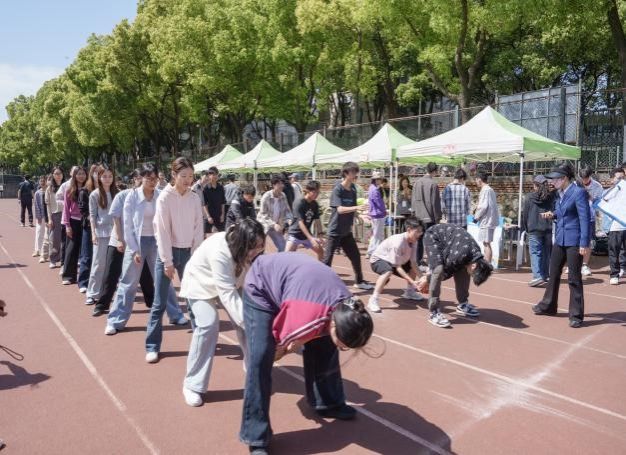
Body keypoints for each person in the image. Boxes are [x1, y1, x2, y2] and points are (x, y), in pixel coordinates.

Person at [240, 252, 374, 454]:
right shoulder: (305, 318)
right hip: (261, 285)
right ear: (334, 324)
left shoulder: (351, 308)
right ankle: (256, 437)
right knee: (261, 358)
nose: (345, 349)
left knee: (326, 345)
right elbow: (280, 350)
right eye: (345, 345)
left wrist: (321, 338)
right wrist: (287, 347)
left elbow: (326, 330)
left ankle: (328, 403)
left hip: (301, 286)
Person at [180, 218, 266, 407]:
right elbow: (227, 295)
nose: (258, 251)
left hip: (233, 282)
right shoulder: (220, 252)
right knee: (208, 325)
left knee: (249, 316)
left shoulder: (250, 249)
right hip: (200, 283)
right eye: (254, 247)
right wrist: (251, 324)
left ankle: (252, 366)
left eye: (261, 246)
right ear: (242, 243)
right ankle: (192, 384)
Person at [105, 164, 188, 329]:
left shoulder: (161, 195)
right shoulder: (132, 196)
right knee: (128, 283)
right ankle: (115, 321)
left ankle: (175, 315)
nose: (152, 182)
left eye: (155, 179)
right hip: (137, 243)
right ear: (140, 178)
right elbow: (128, 225)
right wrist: (134, 249)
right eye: (148, 178)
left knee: (164, 280)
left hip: (157, 242)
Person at [145, 157, 203, 364]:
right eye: (184, 176)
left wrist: (196, 255)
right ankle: (152, 346)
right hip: (167, 255)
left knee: (193, 299)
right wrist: (167, 261)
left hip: (188, 254)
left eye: (191, 176)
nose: (188, 180)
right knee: (159, 303)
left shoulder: (194, 198)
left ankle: (201, 341)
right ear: (174, 175)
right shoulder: (164, 198)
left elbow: (198, 227)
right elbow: (161, 231)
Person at [532, 163, 590, 328]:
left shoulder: (578, 192)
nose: (552, 182)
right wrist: (553, 214)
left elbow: (584, 219)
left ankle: (576, 315)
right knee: (553, 274)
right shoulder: (559, 193)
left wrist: (584, 242)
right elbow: (563, 212)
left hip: (574, 241)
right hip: (560, 239)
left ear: (564, 178)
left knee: (574, 278)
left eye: (555, 179)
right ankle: (549, 306)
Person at [94, 170, 154, 317]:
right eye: (138, 177)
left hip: (139, 243)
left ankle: (151, 302)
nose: (140, 180)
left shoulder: (151, 196)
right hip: (119, 240)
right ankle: (102, 304)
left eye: (143, 177)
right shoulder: (123, 195)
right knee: (111, 273)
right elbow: (116, 219)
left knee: (145, 274)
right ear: (134, 179)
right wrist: (120, 240)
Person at [421, 224, 493, 328]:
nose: (471, 276)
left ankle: (463, 304)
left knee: (463, 268)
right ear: (474, 266)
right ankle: (434, 312)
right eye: (473, 274)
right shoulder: (459, 256)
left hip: (453, 242)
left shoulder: (476, 255)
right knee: (438, 269)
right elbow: (444, 272)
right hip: (434, 235)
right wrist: (427, 279)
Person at [323, 162, 374, 290]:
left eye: (356, 172)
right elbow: (340, 210)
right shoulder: (338, 190)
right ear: (345, 173)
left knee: (356, 257)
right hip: (335, 231)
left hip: (346, 232)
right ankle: (321, 284)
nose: (356, 174)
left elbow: (352, 209)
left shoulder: (353, 190)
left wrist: (360, 216)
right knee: (327, 260)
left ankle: (359, 281)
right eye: (353, 172)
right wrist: (357, 207)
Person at [368, 216, 426, 313]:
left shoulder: (414, 241)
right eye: (418, 231)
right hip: (378, 260)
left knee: (412, 268)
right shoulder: (398, 242)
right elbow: (398, 267)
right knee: (388, 271)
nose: (420, 234)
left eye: (421, 231)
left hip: (395, 262)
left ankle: (410, 292)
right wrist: (413, 282)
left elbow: (413, 263)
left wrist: (423, 278)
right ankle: (373, 299)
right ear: (409, 230)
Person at [85, 166, 117, 306]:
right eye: (104, 176)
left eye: (110, 176)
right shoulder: (95, 194)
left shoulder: (117, 193)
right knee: (98, 263)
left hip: (116, 233)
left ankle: (109, 292)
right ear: (99, 178)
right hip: (101, 233)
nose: (107, 179)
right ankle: (92, 293)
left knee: (114, 265)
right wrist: (93, 233)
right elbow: (92, 216)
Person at [521, 175, 555, 287]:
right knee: (546, 253)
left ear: (535, 185)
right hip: (547, 228)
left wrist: (526, 227)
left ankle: (537, 276)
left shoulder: (529, 197)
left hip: (534, 229)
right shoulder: (550, 197)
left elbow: (525, 214)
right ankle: (545, 275)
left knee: (535, 253)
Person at [285, 180, 325, 260]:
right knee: (286, 256)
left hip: (306, 236)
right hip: (295, 235)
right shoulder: (299, 203)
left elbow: (317, 220)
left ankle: (319, 267)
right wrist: (311, 238)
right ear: (308, 191)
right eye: (314, 192)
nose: (316, 194)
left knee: (321, 252)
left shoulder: (315, 204)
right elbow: (300, 223)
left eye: (318, 192)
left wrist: (320, 235)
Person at [61, 167, 88, 285]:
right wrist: (67, 225)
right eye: (79, 174)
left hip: (86, 222)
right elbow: (66, 209)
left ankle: (85, 277)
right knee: (71, 249)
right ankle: (68, 276)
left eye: (83, 174)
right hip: (74, 222)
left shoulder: (89, 189)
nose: (81, 176)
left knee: (86, 250)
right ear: (74, 176)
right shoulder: (69, 190)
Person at [411, 162, 442, 264]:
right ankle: (431, 261)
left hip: (418, 216)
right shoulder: (433, 184)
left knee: (418, 240)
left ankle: (418, 260)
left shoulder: (417, 183)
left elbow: (413, 201)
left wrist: (413, 213)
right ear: (434, 171)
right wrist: (438, 217)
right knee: (430, 241)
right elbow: (435, 203)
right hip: (430, 217)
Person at [78, 164, 101, 293]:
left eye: (100, 172)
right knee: (87, 255)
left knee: (101, 257)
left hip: (105, 228)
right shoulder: (85, 191)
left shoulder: (108, 190)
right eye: (96, 172)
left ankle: (101, 282)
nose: (98, 175)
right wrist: (94, 221)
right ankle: (83, 282)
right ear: (91, 174)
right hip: (89, 227)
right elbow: (83, 211)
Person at [577, 165, 604, 277]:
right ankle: (573, 264)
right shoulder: (575, 184)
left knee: (588, 241)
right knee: (574, 240)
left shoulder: (597, 186)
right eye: (582, 178)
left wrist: (589, 197)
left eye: (586, 178)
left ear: (590, 176)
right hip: (576, 217)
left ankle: (584, 265)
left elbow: (599, 203)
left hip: (590, 218)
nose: (584, 180)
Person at [256, 174, 292, 252]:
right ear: (273, 185)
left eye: (282, 183)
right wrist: (273, 224)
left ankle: (279, 259)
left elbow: (287, 210)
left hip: (276, 225)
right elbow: (263, 214)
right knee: (259, 247)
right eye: (279, 183)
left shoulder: (283, 195)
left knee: (283, 247)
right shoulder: (266, 196)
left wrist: (289, 219)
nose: (281, 185)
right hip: (264, 224)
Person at [474, 172, 500, 264]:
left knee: (486, 243)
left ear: (479, 179)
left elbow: (483, 206)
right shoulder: (490, 189)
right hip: (490, 220)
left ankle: (487, 265)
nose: (476, 181)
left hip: (486, 221)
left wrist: (476, 217)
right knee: (486, 243)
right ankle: (487, 264)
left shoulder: (485, 190)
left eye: (476, 179)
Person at [605, 167, 626, 285]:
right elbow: (602, 204)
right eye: (619, 178)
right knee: (614, 251)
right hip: (615, 226)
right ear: (612, 179)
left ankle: (624, 268)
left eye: (623, 178)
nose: (621, 180)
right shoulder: (608, 192)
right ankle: (614, 274)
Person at [46, 167, 64, 269]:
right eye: (56, 173)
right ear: (53, 175)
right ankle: (53, 259)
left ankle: (64, 259)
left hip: (66, 214)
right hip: (55, 215)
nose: (58, 175)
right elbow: (48, 205)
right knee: (54, 239)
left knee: (66, 238)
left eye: (60, 173)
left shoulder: (66, 186)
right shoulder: (49, 188)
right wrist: (49, 218)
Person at [366, 171, 387, 258]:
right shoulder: (375, 189)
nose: (380, 180)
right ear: (375, 180)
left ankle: (371, 251)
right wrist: (384, 210)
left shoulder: (371, 188)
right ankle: (374, 252)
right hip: (378, 214)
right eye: (378, 179)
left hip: (374, 214)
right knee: (378, 235)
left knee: (375, 234)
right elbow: (379, 203)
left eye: (380, 179)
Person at [203, 166, 226, 234]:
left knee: (220, 235)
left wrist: (222, 214)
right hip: (209, 217)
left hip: (219, 216)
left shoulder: (221, 187)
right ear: (208, 176)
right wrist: (208, 216)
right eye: (211, 174)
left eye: (215, 174)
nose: (213, 176)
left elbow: (223, 202)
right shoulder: (205, 188)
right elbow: (204, 204)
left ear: (217, 175)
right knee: (208, 236)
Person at [33, 176, 49, 260]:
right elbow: (36, 205)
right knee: (39, 232)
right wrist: (38, 216)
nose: (42, 182)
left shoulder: (49, 191)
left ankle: (46, 251)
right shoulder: (37, 193)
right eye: (41, 181)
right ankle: (37, 250)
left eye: (44, 181)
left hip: (49, 216)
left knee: (47, 233)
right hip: (41, 216)